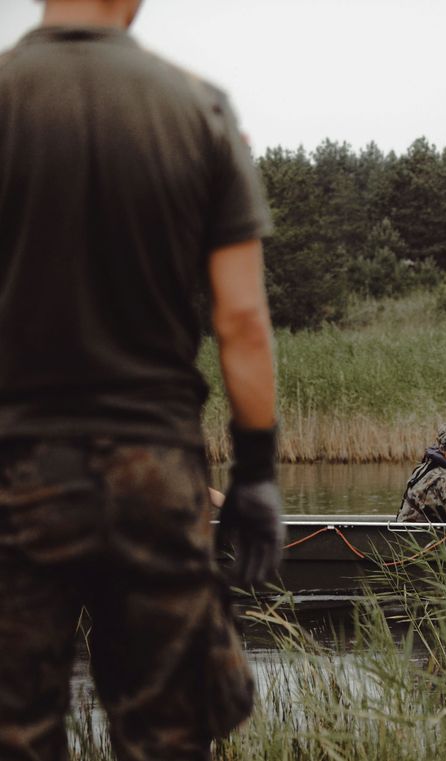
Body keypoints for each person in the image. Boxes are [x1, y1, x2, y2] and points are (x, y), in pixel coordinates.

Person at [0, 2, 283, 759]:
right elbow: (243, 320)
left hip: (15, 467)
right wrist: (255, 473)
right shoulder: (199, 109)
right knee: (166, 733)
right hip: (156, 473)